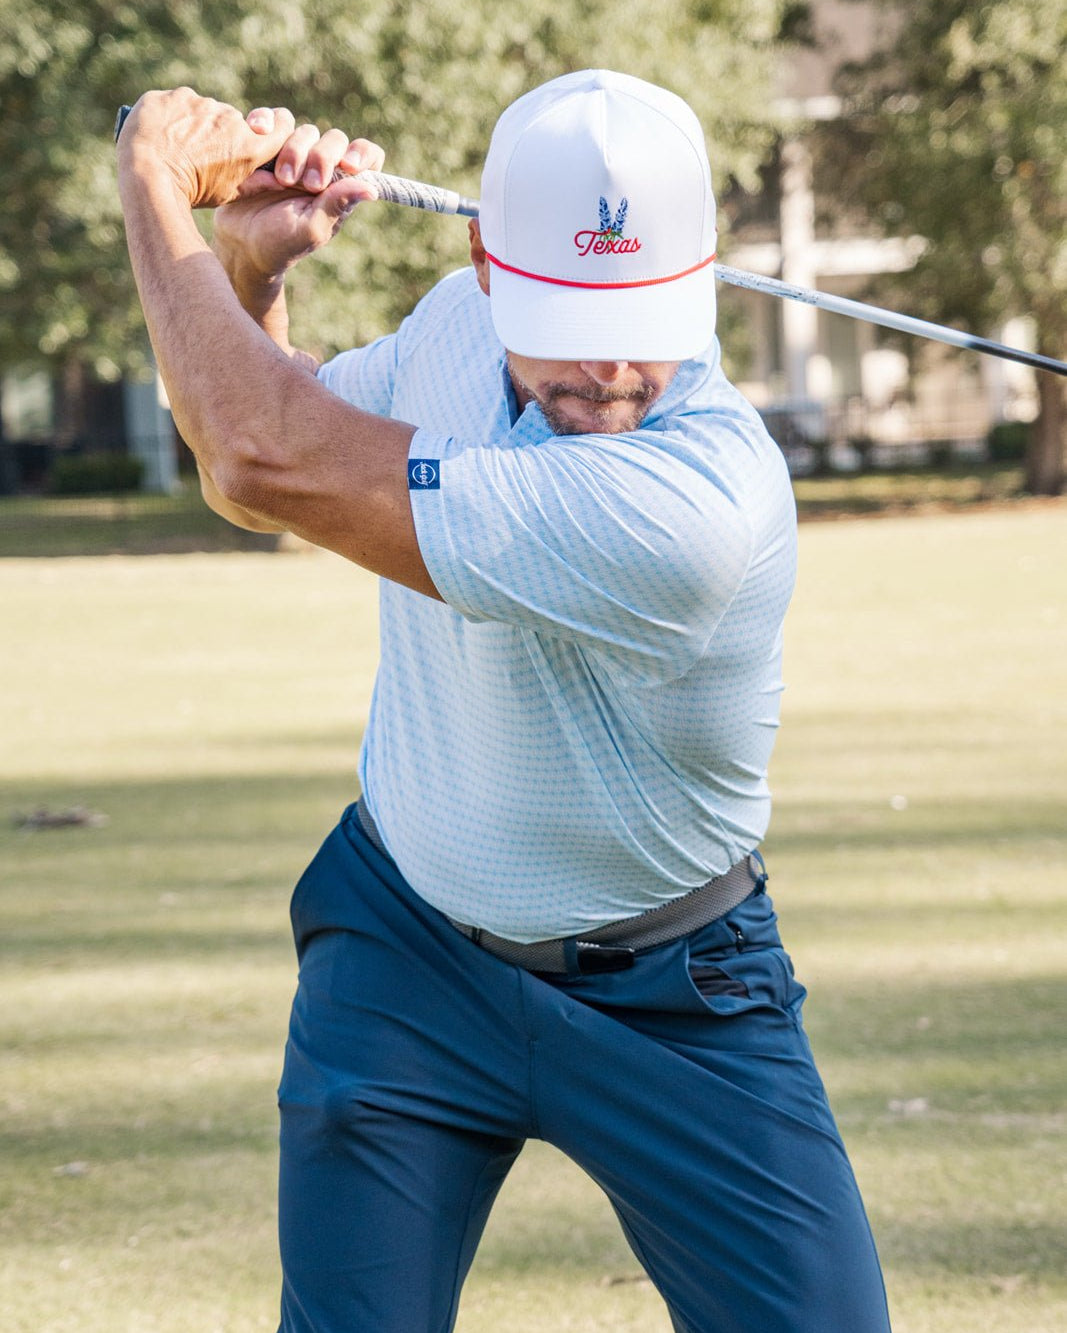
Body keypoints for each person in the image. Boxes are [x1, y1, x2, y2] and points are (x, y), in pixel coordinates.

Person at [117, 70, 892, 1333]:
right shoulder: (447, 331)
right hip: (406, 952)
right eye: (566, 320)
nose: (609, 367)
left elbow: (262, 449)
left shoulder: (698, 501)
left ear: (702, 281)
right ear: (484, 267)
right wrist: (249, 274)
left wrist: (154, 176)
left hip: (676, 993)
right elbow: (251, 470)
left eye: (644, 319)